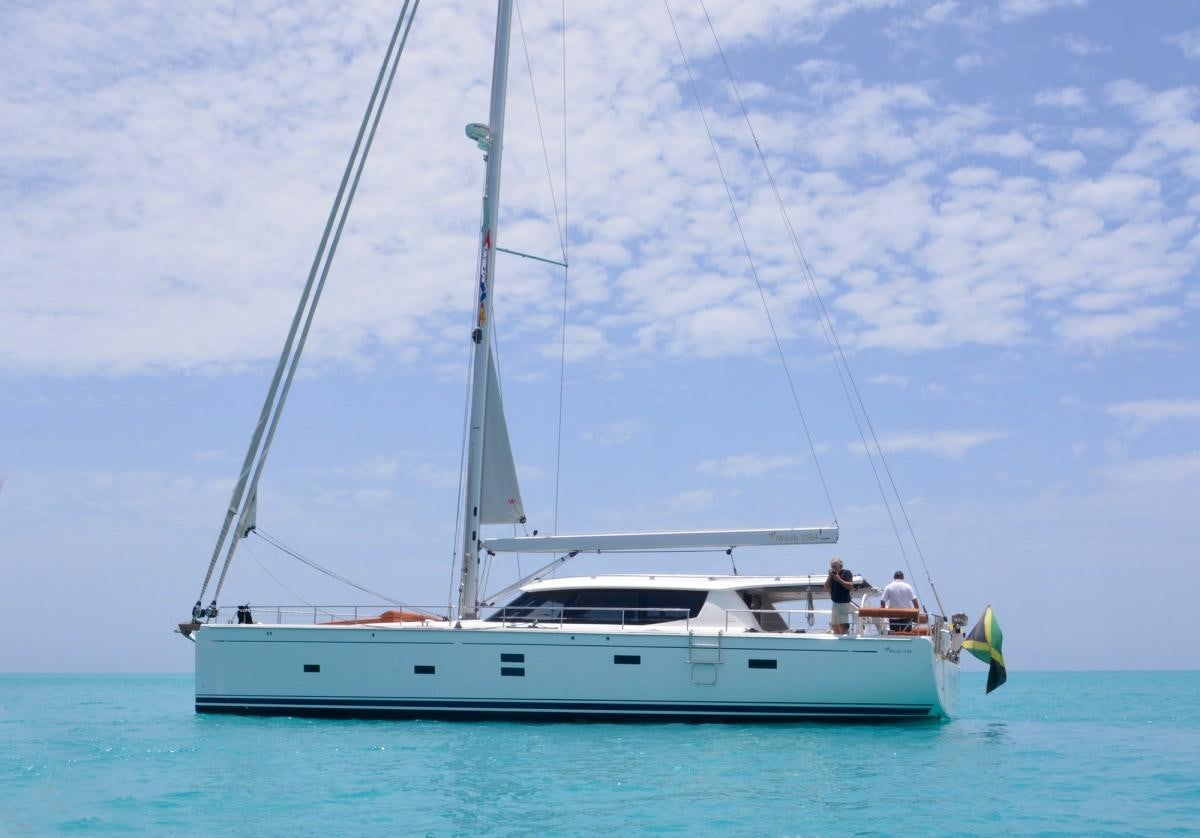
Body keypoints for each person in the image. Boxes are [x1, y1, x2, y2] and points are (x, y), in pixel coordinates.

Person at [823, 558, 854, 635]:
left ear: (840, 566)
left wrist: (838, 579)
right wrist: (829, 577)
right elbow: (825, 589)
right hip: (835, 603)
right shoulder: (832, 576)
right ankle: (838, 637)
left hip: (843, 604)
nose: (833, 568)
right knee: (834, 625)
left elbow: (850, 586)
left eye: (835, 566)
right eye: (832, 566)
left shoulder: (846, 573)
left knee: (842, 624)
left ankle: (845, 637)